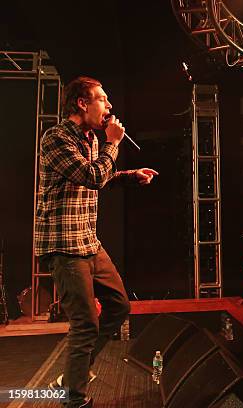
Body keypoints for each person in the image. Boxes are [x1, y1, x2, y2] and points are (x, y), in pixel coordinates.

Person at [36, 76, 158, 408]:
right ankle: (73, 400)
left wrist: (129, 176)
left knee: (119, 306)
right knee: (86, 324)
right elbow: (89, 176)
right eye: (102, 99)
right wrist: (113, 144)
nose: (109, 106)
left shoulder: (90, 139)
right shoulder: (56, 137)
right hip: (64, 245)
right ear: (81, 103)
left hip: (88, 241)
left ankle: (73, 375)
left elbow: (96, 178)